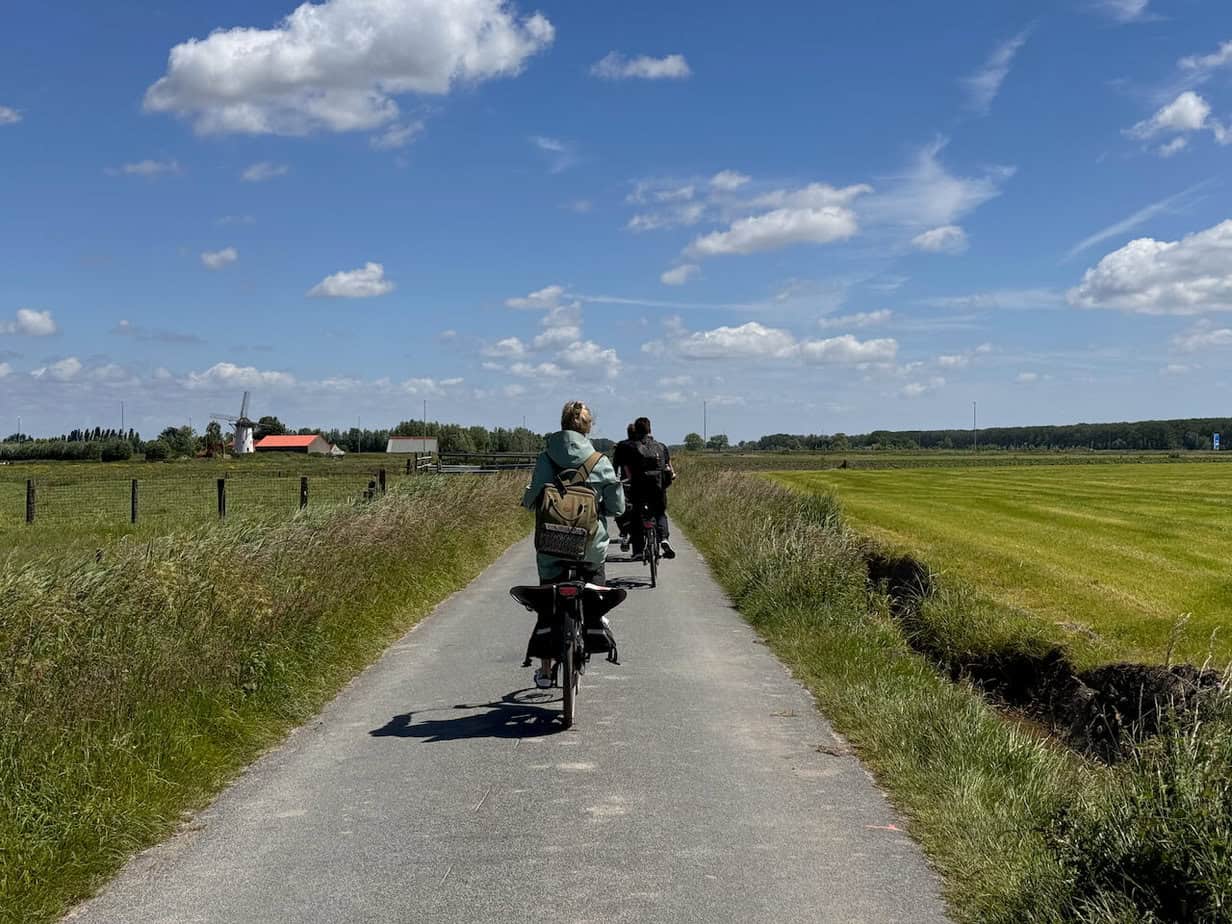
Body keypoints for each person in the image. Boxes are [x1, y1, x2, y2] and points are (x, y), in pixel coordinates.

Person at [522, 400, 625, 688]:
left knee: (547, 602)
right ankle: (597, 621)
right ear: (587, 427)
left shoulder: (546, 458)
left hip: (552, 545)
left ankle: (544, 670)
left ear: (562, 424)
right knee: (595, 585)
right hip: (590, 547)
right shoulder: (600, 461)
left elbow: (531, 500)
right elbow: (617, 508)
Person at [626, 416, 675, 560]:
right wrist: (671, 476)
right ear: (650, 429)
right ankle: (664, 538)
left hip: (639, 489)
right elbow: (668, 467)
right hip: (658, 488)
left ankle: (639, 550)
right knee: (660, 513)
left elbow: (628, 470)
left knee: (636, 516)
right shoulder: (661, 447)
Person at [612, 422, 640, 552]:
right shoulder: (644, 445)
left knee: (620, 509)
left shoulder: (621, 446)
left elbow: (615, 465)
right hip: (644, 483)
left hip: (626, 481)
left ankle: (624, 532)